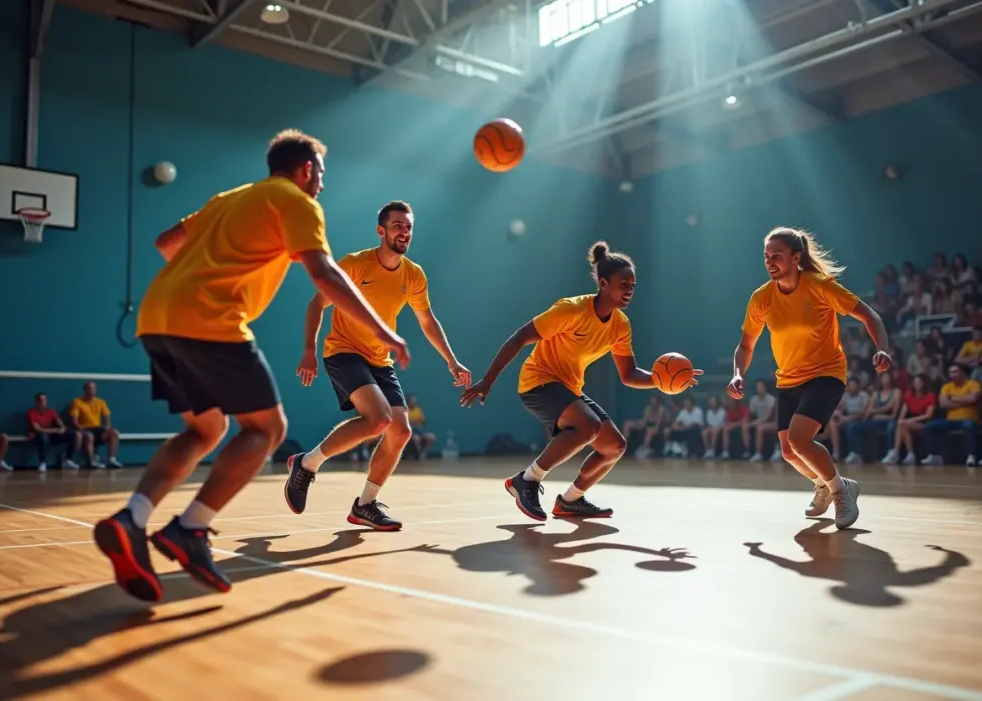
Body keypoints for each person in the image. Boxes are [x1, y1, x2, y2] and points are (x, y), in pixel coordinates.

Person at [92, 130, 409, 603]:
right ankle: (190, 528)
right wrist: (383, 330)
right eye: (320, 174)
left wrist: (209, 267)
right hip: (210, 318)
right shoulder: (297, 202)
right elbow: (323, 273)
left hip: (158, 315)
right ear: (306, 170)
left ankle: (131, 518)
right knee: (266, 429)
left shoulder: (231, 198)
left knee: (203, 431)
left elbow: (166, 242)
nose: (321, 184)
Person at [460, 241, 700, 520]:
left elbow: (629, 374)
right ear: (603, 283)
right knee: (589, 426)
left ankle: (571, 500)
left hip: (569, 387)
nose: (629, 290)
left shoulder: (620, 325)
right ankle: (527, 479)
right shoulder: (571, 310)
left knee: (614, 446)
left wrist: (662, 380)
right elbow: (519, 338)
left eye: (633, 285)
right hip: (538, 381)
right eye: (624, 284)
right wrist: (487, 381)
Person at [285, 201, 469, 530]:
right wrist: (308, 350)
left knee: (401, 431)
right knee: (379, 419)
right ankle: (307, 464)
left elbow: (427, 321)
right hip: (343, 351)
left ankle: (365, 505)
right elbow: (318, 302)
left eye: (408, 226)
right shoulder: (355, 265)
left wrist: (452, 361)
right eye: (397, 225)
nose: (404, 231)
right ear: (381, 230)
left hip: (379, 359)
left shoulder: (413, 274)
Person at [727, 227, 891, 530]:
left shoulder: (819, 286)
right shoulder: (762, 297)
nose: (769, 260)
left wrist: (882, 348)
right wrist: (738, 374)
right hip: (788, 379)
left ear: (796, 257)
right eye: (766, 256)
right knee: (789, 452)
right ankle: (830, 484)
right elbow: (746, 345)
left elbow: (870, 316)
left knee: (800, 441)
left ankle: (841, 494)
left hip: (825, 373)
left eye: (776, 255)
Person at [921, 364, 982, 466]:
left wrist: (953, 399)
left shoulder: (973, 384)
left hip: (968, 419)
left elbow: (973, 399)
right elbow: (943, 404)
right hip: (950, 420)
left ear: (962, 373)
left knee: (969, 426)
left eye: (955, 372)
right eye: (950, 372)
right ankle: (935, 456)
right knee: (929, 426)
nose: (952, 375)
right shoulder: (947, 386)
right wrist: (965, 401)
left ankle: (971, 456)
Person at [882, 373, 936, 464]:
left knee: (903, 425)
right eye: (915, 382)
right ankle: (909, 454)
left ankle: (896, 452)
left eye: (919, 382)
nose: (916, 384)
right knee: (902, 425)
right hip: (908, 422)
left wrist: (910, 420)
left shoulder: (930, 396)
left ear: (923, 383)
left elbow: (928, 415)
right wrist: (901, 419)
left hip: (924, 422)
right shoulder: (909, 395)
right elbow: (904, 410)